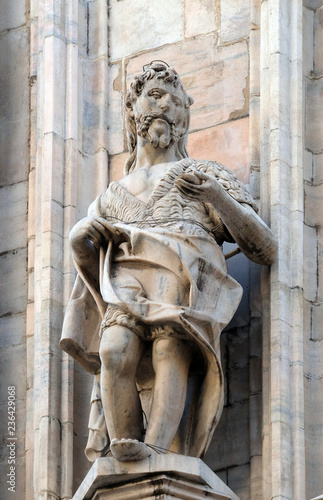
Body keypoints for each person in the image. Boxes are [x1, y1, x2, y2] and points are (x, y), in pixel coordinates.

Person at [60, 61, 277, 462]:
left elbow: (264, 248)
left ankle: (157, 452)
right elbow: (92, 277)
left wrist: (217, 197)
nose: (164, 106)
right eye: (154, 96)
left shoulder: (203, 172)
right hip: (127, 287)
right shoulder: (109, 196)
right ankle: (126, 445)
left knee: (167, 349)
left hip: (182, 283)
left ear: (185, 116)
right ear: (133, 109)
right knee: (113, 349)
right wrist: (79, 239)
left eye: (175, 101)